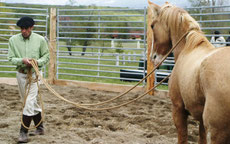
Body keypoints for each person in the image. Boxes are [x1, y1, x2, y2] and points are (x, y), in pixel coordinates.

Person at [7, 16, 50, 143]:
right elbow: (10, 58)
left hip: (35, 75)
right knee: (28, 102)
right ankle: (40, 128)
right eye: (21, 28)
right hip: (21, 75)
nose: (23, 31)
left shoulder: (40, 40)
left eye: (26, 28)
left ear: (32, 27)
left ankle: (23, 132)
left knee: (29, 102)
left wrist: (37, 62)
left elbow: (46, 56)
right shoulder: (13, 40)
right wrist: (22, 61)